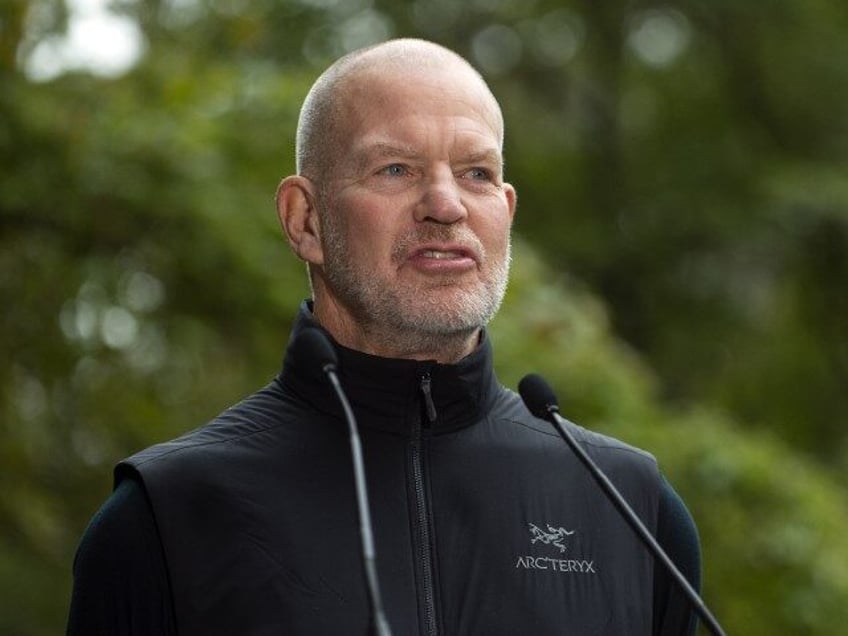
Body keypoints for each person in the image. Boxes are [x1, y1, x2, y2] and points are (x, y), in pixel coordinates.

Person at [67, 38, 701, 635]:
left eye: (476, 173)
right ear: (305, 219)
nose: (446, 205)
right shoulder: (166, 517)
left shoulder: (632, 509)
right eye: (396, 168)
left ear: (506, 212)